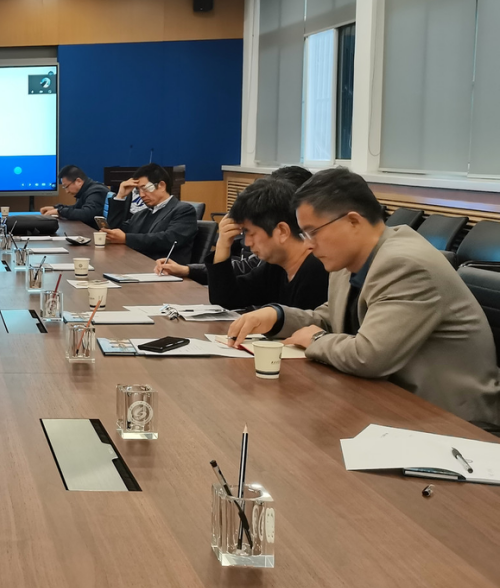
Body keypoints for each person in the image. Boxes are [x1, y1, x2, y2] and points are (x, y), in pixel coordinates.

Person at [229, 168, 500, 430]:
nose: (308, 244)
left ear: (353, 221)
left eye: (312, 232)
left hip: (453, 423)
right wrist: (277, 316)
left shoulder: (405, 264)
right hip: (390, 404)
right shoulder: (348, 260)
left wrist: (316, 339)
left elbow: (368, 356)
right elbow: (328, 319)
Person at [156, 179, 328, 310]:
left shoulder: (316, 271)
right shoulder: (275, 266)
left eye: (250, 233)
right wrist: (223, 246)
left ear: (282, 231)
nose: (247, 242)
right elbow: (226, 299)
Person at [169, 165, 315, 285]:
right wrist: (191, 268)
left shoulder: (308, 261)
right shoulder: (272, 256)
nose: (248, 242)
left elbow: (246, 271)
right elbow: (243, 273)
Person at [102, 163, 198, 263]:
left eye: (145, 188)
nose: (141, 195)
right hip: (136, 263)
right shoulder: (141, 214)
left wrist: (126, 238)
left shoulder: (184, 210)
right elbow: (116, 231)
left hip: (163, 267)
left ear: (161, 186)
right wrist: (120, 196)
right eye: (138, 191)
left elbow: (169, 239)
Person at [39, 165, 108, 225]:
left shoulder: (96, 191)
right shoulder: (85, 191)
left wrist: (60, 212)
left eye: (66, 186)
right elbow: (77, 208)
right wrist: (57, 208)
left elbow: (86, 214)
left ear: (78, 181)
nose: (67, 191)